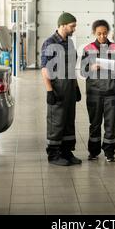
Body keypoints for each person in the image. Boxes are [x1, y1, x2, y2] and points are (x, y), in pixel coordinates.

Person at [40, 12, 82, 166]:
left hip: (70, 86)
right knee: (56, 121)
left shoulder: (69, 43)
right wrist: (49, 90)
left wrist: (76, 88)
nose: (74, 29)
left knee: (69, 120)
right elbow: (45, 69)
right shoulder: (49, 43)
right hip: (58, 88)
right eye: (72, 26)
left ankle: (66, 152)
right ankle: (54, 154)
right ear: (63, 25)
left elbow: (71, 68)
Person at [81, 20, 115, 162]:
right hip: (94, 93)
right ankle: (93, 152)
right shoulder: (88, 48)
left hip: (112, 93)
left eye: (105, 33)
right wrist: (90, 68)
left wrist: (113, 66)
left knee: (111, 125)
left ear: (108, 33)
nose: (102, 36)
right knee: (95, 124)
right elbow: (82, 71)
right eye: (99, 33)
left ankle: (109, 152)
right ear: (94, 33)